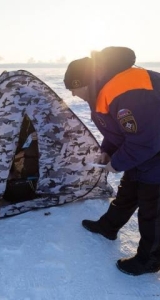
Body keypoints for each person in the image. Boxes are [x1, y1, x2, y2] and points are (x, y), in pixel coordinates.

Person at [63, 47, 160, 276]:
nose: (74, 95)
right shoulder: (103, 89)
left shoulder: (127, 91)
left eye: (73, 88)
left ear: (83, 81)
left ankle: (151, 259)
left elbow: (146, 139)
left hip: (155, 150)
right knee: (128, 191)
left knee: (152, 207)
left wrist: (116, 163)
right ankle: (108, 227)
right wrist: (108, 151)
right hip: (147, 150)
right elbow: (118, 129)